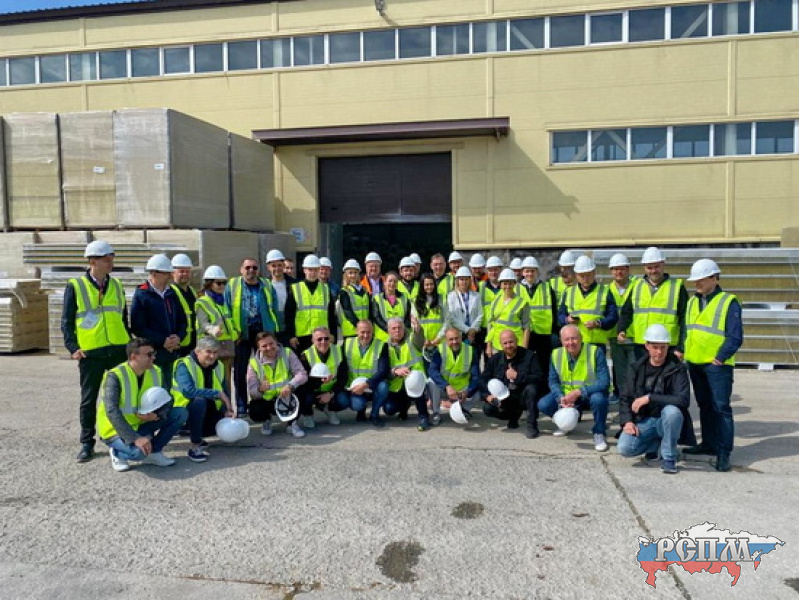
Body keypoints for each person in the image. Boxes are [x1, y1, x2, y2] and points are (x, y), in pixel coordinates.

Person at [62, 240, 131, 462]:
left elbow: (123, 318)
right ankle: (87, 443)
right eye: (105, 259)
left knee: (122, 396)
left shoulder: (117, 285)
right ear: (92, 261)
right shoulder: (76, 285)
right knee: (89, 399)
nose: (110, 263)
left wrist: (129, 344)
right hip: (91, 352)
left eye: (111, 259)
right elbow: (67, 321)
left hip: (118, 348)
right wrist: (73, 347)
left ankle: (121, 436)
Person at [682, 259, 743, 473]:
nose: (696, 283)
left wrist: (721, 357)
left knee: (721, 408)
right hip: (695, 363)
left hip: (717, 366)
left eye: (701, 279)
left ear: (714, 278)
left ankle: (724, 452)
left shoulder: (729, 302)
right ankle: (708, 444)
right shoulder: (692, 301)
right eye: (695, 280)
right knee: (705, 406)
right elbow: (687, 330)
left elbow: (735, 336)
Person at [97, 338, 187, 471]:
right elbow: (112, 411)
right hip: (116, 430)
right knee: (138, 453)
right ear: (134, 356)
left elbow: (168, 399)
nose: (153, 357)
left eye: (154, 353)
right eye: (149, 354)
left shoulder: (156, 371)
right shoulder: (115, 376)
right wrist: (135, 438)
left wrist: (157, 415)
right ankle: (117, 452)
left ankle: (154, 452)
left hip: (142, 424)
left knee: (180, 413)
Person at [617, 324, 694, 474]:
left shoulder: (678, 368)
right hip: (645, 420)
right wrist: (627, 421)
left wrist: (650, 398)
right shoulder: (636, 367)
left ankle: (669, 458)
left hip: (668, 420)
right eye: (655, 347)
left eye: (663, 347)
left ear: (668, 346)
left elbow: (683, 400)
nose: (659, 352)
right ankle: (658, 445)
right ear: (647, 346)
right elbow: (625, 397)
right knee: (625, 448)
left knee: (672, 412)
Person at [538, 325, 611, 451]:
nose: (570, 343)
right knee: (543, 404)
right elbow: (553, 381)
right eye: (566, 339)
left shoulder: (595, 351)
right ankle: (566, 423)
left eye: (574, 338)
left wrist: (579, 392)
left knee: (599, 400)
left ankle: (599, 432)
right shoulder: (556, 354)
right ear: (561, 341)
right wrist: (561, 398)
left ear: (581, 338)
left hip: (589, 393)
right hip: (567, 395)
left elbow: (604, 382)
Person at [226, 257, 280, 415]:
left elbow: (274, 309)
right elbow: (227, 310)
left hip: (262, 331)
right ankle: (241, 405)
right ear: (241, 269)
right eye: (248, 267)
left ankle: (264, 402)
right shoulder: (233, 285)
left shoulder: (267, 285)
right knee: (240, 371)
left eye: (255, 268)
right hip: (241, 333)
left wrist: (273, 332)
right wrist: (233, 333)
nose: (251, 270)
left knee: (265, 367)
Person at [171, 336, 235, 463]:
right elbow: (188, 391)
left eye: (215, 352)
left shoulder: (219, 366)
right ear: (197, 351)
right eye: (208, 352)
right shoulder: (183, 365)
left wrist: (227, 410)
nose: (212, 356)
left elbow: (225, 391)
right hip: (183, 410)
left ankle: (201, 434)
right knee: (199, 401)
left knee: (222, 425)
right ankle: (195, 446)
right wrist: (216, 393)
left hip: (209, 409)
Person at [616, 246, 688, 359]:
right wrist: (621, 329)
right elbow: (627, 312)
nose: (653, 271)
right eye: (649, 267)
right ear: (644, 268)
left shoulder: (677, 287)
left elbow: (685, 319)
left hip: (667, 346)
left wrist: (681, 347)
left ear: (663, 264)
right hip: (642, 345)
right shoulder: (637, 286)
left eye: (656, 266)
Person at [131, 254, 186, 389]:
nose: (169, 276)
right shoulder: (142, 294)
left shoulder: (172, 293)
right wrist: (162, 341)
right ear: (154, 273)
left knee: (171, 390)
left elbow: (183, 321)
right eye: (165, 273)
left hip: (172, 353)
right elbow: (138, 327)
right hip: (153, 355)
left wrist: (178, 337)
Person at [479, 329, 543, 433]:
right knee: (488, 408)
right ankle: (513, 416)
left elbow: (539, 378)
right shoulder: (495, 359)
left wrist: (518, 376)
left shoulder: (530, 356)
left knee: (531, 389)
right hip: (505, 397)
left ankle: (532, 424)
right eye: (505, 343)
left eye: (511, 342)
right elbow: (482, 380)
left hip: (523, 396)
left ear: (517, 340)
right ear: (500, 344)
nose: (508, 345)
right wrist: (487, 396)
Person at [247, 331, 308, 438]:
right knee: (255, 410)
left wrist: (290, 385)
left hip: (287, 396)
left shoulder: (287, 352)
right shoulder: (253, 363)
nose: (269, 348)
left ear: (276, 342)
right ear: (259, 348)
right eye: (264, 346)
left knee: (304, 394)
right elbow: (252, 391)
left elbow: (302, 374)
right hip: (268, 400)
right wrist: (260, 389)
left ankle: (292, 424)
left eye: (271, 343)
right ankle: (266, 420)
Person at [383, 318, 431, 431]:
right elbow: (382, 369)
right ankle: (404, 407)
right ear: (388, 330)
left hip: (414, 378)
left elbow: (419, 339)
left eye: (400, 327)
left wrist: (418, 329)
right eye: (394, 328)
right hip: (397, 383)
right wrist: (395, 371)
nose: (397, 330)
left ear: (404, 328)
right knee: (389, 409)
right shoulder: (384, 346)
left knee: (416, 384)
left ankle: (423, 416)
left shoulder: (412, 339)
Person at [558, 255, 617, 347]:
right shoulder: (569, 292)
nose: (585, 279)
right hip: (573, 344)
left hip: (596, 343)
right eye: (582, 276)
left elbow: (613, 317)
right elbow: (560, 315)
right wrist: (567, 320)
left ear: (594, 273)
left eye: (588, 275)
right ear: (576, 275)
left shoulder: (605, 291)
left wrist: (598, 323)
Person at [195, 266, 237, 394]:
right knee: (212, 380)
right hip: (209, 347)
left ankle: (226, 404)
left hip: (226, 347)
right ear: (209, 284)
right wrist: (213, 330)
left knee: (226, 381)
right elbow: (203, 323)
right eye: (218, 283)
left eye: (224, 283)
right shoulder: (202, 302)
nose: (222, 286)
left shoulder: (223, 301)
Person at [427, 327, 481, 426]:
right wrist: (446, 386)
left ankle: (463, 410)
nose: (454, 342)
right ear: (446, 340)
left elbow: (476, 376)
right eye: (451, 339)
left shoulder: (470, 351)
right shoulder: (440, 350)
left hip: (462, 390)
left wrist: (467, 392)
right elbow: (432, 370)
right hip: (445, 388)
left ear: (461, 337)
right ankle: (436, 413)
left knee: (479, 390)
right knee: (431, 382)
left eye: (457, 338)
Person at [299, 326, 350, 427]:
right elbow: (304, 383)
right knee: (304, 397)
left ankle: (330, 409)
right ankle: (308, 415)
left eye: (326, 338)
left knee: (344, 400)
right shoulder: (305, 355)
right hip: (313, 390)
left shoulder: (338, 351)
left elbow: (343, 377)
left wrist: (331, 394)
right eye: (319, 339)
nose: (323, 342)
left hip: (332, 390)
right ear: (313, 340)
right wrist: (319, 382)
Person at [286, 254, 337, 353]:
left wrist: (333, 334)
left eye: (315, 270)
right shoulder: (295, 288)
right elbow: (289, 315)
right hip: (301, 337)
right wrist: (291, 335)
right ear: (304, 270)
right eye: (310, 269)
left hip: (322, 336)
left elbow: (331, 314)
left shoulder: (326, 289)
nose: (313, 273)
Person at [606, 253, 639, 402]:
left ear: (628, 269)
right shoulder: (607, 289)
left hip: (634, 334)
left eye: (622, 269)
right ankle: (620, 394)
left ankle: (634, 394)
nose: (618, 272)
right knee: (618, 368)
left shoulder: (637, 286)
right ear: (611, 271)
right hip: (615, 335)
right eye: (615, 269)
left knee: (634, 367)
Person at [344, 320, 389, 427]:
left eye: (369, 332)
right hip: (354, 385)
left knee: (383, 387)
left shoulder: (381, 345)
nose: (366, 335)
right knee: (356, 404)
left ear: (373, 331)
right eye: (362, 332)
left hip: (373, 384)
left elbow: (383, 370)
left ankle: (374, 414)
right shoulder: (347, 344)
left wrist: (366, 384)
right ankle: (361, 411)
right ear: (356, 331)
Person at [518, 256, 557, 374]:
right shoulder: (516, 289)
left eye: (532, 271)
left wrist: (554, 331)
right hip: (523, 333)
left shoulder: (547, 287)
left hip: (543, 334)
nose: (530, 274)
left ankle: (544, 386)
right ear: (522, 272)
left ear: (537, 272)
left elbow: (554, 310)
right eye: (527, 271)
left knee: (544, 365)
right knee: (525, 364)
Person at [485, 268, 530, 357]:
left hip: (515, 346)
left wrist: (524, 349)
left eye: (510, 283)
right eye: (505, 283)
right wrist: (488, 345)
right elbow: (491, 324)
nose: (507, 286)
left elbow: (526, 328)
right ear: (500, 284)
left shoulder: (522, 303)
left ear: (514, 284)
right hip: (497, 345)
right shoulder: (495, 301)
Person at [264, 249, 297, 346]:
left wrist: (293, 334)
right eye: (273, 266)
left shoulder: (294, 284)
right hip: (271, 330)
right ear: (268, 267)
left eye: (279, 265)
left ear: (283, 265)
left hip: (289, 331)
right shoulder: (264, 285)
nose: (277, 268)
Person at [446, 266, 482, 346]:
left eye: (466, 279)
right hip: (458, 335)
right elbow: (451, 317)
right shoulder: (451, 296)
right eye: (461, 279)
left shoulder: (476, 296)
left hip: (475, 335)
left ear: (470, 280)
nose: (464, 282)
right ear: (457, 281)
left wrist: (473, 330)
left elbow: (480, 315)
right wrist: (467, 330)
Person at [371, 271, 411, 343]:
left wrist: (401, 330)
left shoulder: (405, 297)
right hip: (383, 338)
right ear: (385, 282)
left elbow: (408, 316)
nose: (392, 283)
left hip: (402, 337)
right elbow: (376, 317)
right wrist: (390, 330)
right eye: (390, 281)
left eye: (395, 281)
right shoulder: (377, 298)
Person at [170, 253, 198, 356]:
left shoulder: (192, 291)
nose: (185, 274)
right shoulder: (170, 292)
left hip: (193, 343)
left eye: (187, 271)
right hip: (178, 345)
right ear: (173, 273)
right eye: (181, 271)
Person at [411, 273, 447, 352]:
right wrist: (423, 339)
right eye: (426, 285)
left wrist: (438, 338)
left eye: (431, 284)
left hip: (440, 342)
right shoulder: (416, 301)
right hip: (423, 343)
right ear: (422, 286)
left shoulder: (442, 299)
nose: (429, 287)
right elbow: (413, 322)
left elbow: (447, 321)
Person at [477, 256, 503, 357]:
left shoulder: (506, 286)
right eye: (490, 270)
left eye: (496, 269)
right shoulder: (480, 287)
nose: (493, 272)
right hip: (484, 329)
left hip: (501, 328)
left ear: (500, 270)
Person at [338, 259, 370, 340]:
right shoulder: (344, 292)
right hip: (351, 332)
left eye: (355, 272)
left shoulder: (365, 290)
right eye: (350, 273)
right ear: (346, 275)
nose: (353, 275)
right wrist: (360, 326)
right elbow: (348, 312)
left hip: (365, 331)